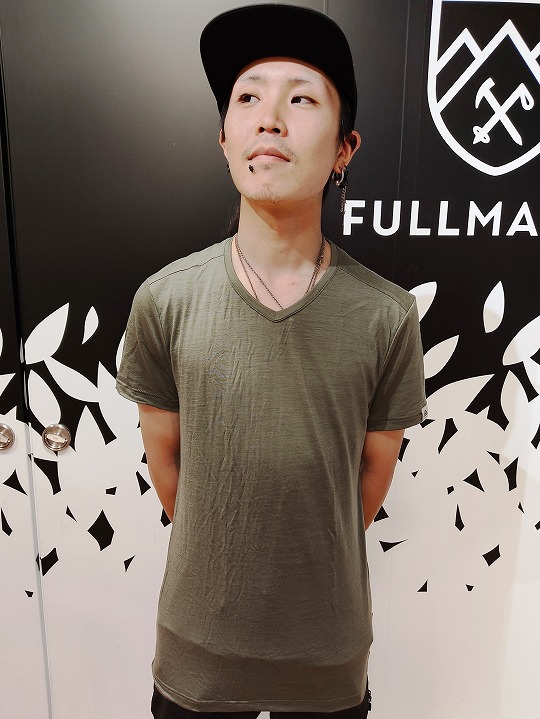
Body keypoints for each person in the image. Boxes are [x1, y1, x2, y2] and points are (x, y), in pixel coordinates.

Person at [116, 4, 427, 718]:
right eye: (248, 98)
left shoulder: (386, 315)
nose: (270, 120)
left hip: (327, 660)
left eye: (302, 99)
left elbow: (367, 483)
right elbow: (169, 468)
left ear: (345, 148)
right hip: (196, 653)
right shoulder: (165, 299)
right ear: (224, 138)